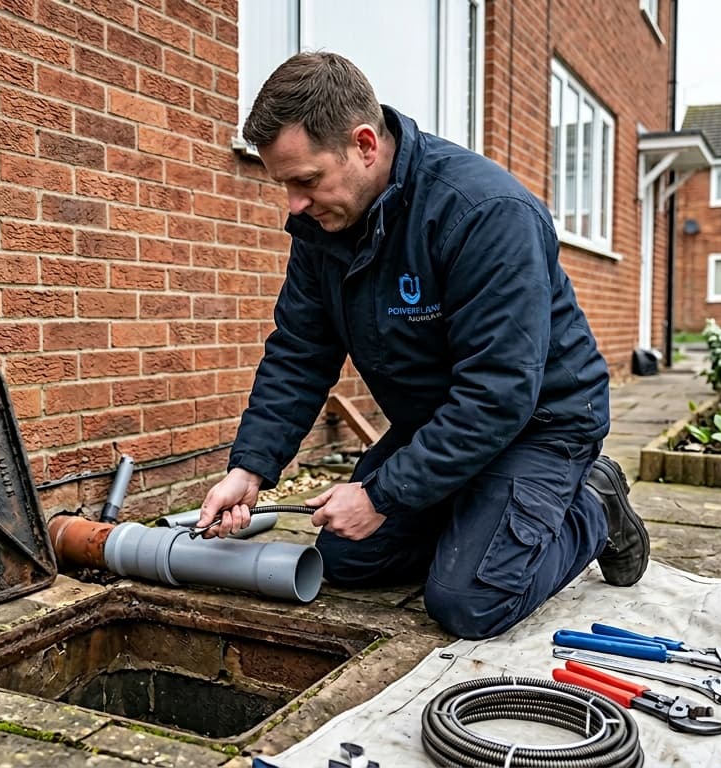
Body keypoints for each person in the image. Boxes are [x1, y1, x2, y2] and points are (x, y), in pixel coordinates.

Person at [196, 52, 649, 639]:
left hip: (538, 423)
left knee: (470, 601)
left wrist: (382, 494)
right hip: (439, 423)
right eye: (284, 184)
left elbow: (499, 393)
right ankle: (482, 520)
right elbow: (299, 353)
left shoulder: (484, 213)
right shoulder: (324, 226)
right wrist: (250, 468)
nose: (294, 204)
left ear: (363, 144)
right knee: (346, 558)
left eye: (305, 180)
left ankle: (592, 501)